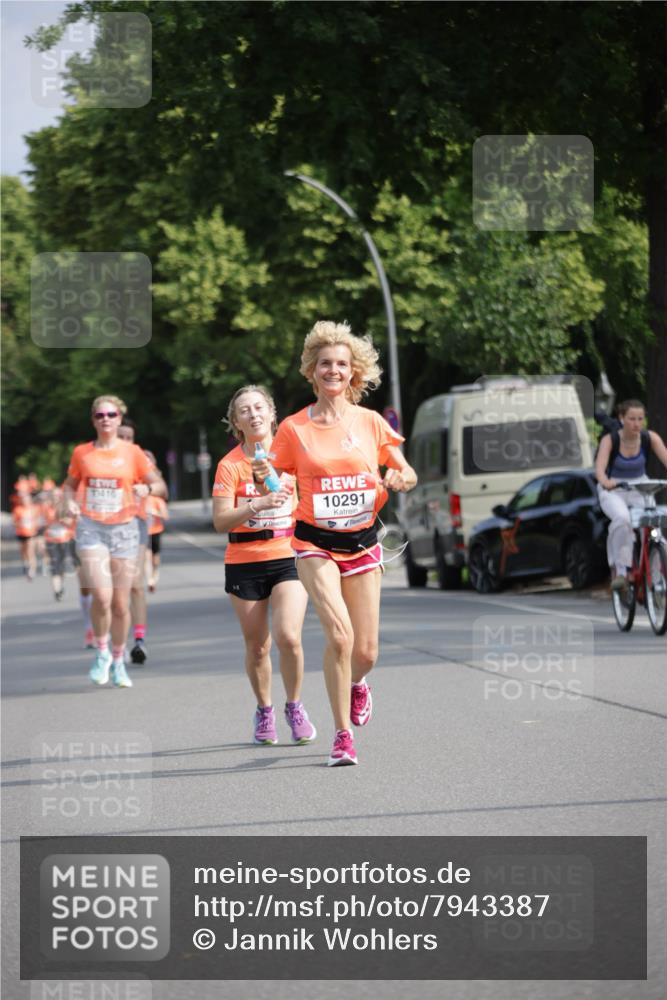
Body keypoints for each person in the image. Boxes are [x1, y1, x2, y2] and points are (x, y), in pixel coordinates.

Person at [253, 321, 417, 766]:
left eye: (342, 364)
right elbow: (270, 471)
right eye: (325, 363)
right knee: (340, 637)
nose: (333, 370)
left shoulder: (370, 422)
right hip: (314, 544)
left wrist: (398, 477)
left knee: (365, 651)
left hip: (363, 543)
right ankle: (342, 736)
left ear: (353, 373)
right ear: (312, 371)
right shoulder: (293, 428)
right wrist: (272, 483)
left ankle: (358, 682)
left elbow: (406, 470)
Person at [212, 385, 316, 747]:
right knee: (257, 647)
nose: (253, 414)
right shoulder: (229, 465)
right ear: (236, 422)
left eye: (259, 407)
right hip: (244, 561)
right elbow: (221, 521)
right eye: (244, 410)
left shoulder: (294, 455)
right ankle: (265, 710)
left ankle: (295, 705)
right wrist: (259, 504)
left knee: (289, 635)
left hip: (288, 554)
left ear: (272, 413)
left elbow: (314, 498)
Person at [61, 395, 166, 688]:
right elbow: (69, 486)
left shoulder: (132, 453)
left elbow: (160, 484)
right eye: (99, 415)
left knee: (121, 604)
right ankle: (102, 651)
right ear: (93, 420)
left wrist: (147, 488)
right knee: (102, 597)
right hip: (91, 528)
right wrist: (68, 503)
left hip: (125, 530)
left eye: (111, 414)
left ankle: (119, 661)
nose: (105, 419)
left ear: (120, 418)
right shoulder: (82, 453)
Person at [595, 398, 667, 591]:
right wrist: (606, 482)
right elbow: (600, 470)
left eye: (640, 419)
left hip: (639, 488)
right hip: (614, 490)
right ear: (621, 418)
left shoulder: (649, 438)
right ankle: (621, 570)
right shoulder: (610, 440)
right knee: (623, 520)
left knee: (655, 524)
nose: (637, 424)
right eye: (632, 419)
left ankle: (655, 572)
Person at [117, 417, 163, 665]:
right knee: (112, 592)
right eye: (120, 436)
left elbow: (161, 487)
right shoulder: (97, 459)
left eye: (128, 437)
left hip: (135, 524)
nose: (124, 441)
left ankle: (139, 642)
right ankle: (116, 643)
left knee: (135, 584)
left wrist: (149, 489)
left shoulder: (140, 459)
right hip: (104, 528)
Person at [43, 486, 79, 601]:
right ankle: (57, 590)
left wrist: (64, 520)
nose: (55, 498)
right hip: (51, 541)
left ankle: (60, 585)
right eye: (53, 496)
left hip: (65, 540)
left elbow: (73, 522)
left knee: (62, 565)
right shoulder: (46, 508)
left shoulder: (66, 507)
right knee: (54, 565)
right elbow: (42, 524)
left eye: (57, 496)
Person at [143, 450, 168, 593]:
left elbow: (165, 516)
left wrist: (154, 512)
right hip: (144, 531)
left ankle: (154, 575)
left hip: (156, 530)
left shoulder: (157, 500)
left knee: (155, 559)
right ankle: (149, 581)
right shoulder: (143, 498)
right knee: (146, 556)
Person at [12, 486, 38, 580]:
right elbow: (14, 522)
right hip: (21, 533)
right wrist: (19, 524)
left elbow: (38, 520)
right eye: (23, 499)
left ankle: (32, 570)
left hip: (31, 533)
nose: (25, 501)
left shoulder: (34, 509)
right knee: (23, 552)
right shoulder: (17, 510)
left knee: (30, 551)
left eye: (26, 499)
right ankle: (25, 564)